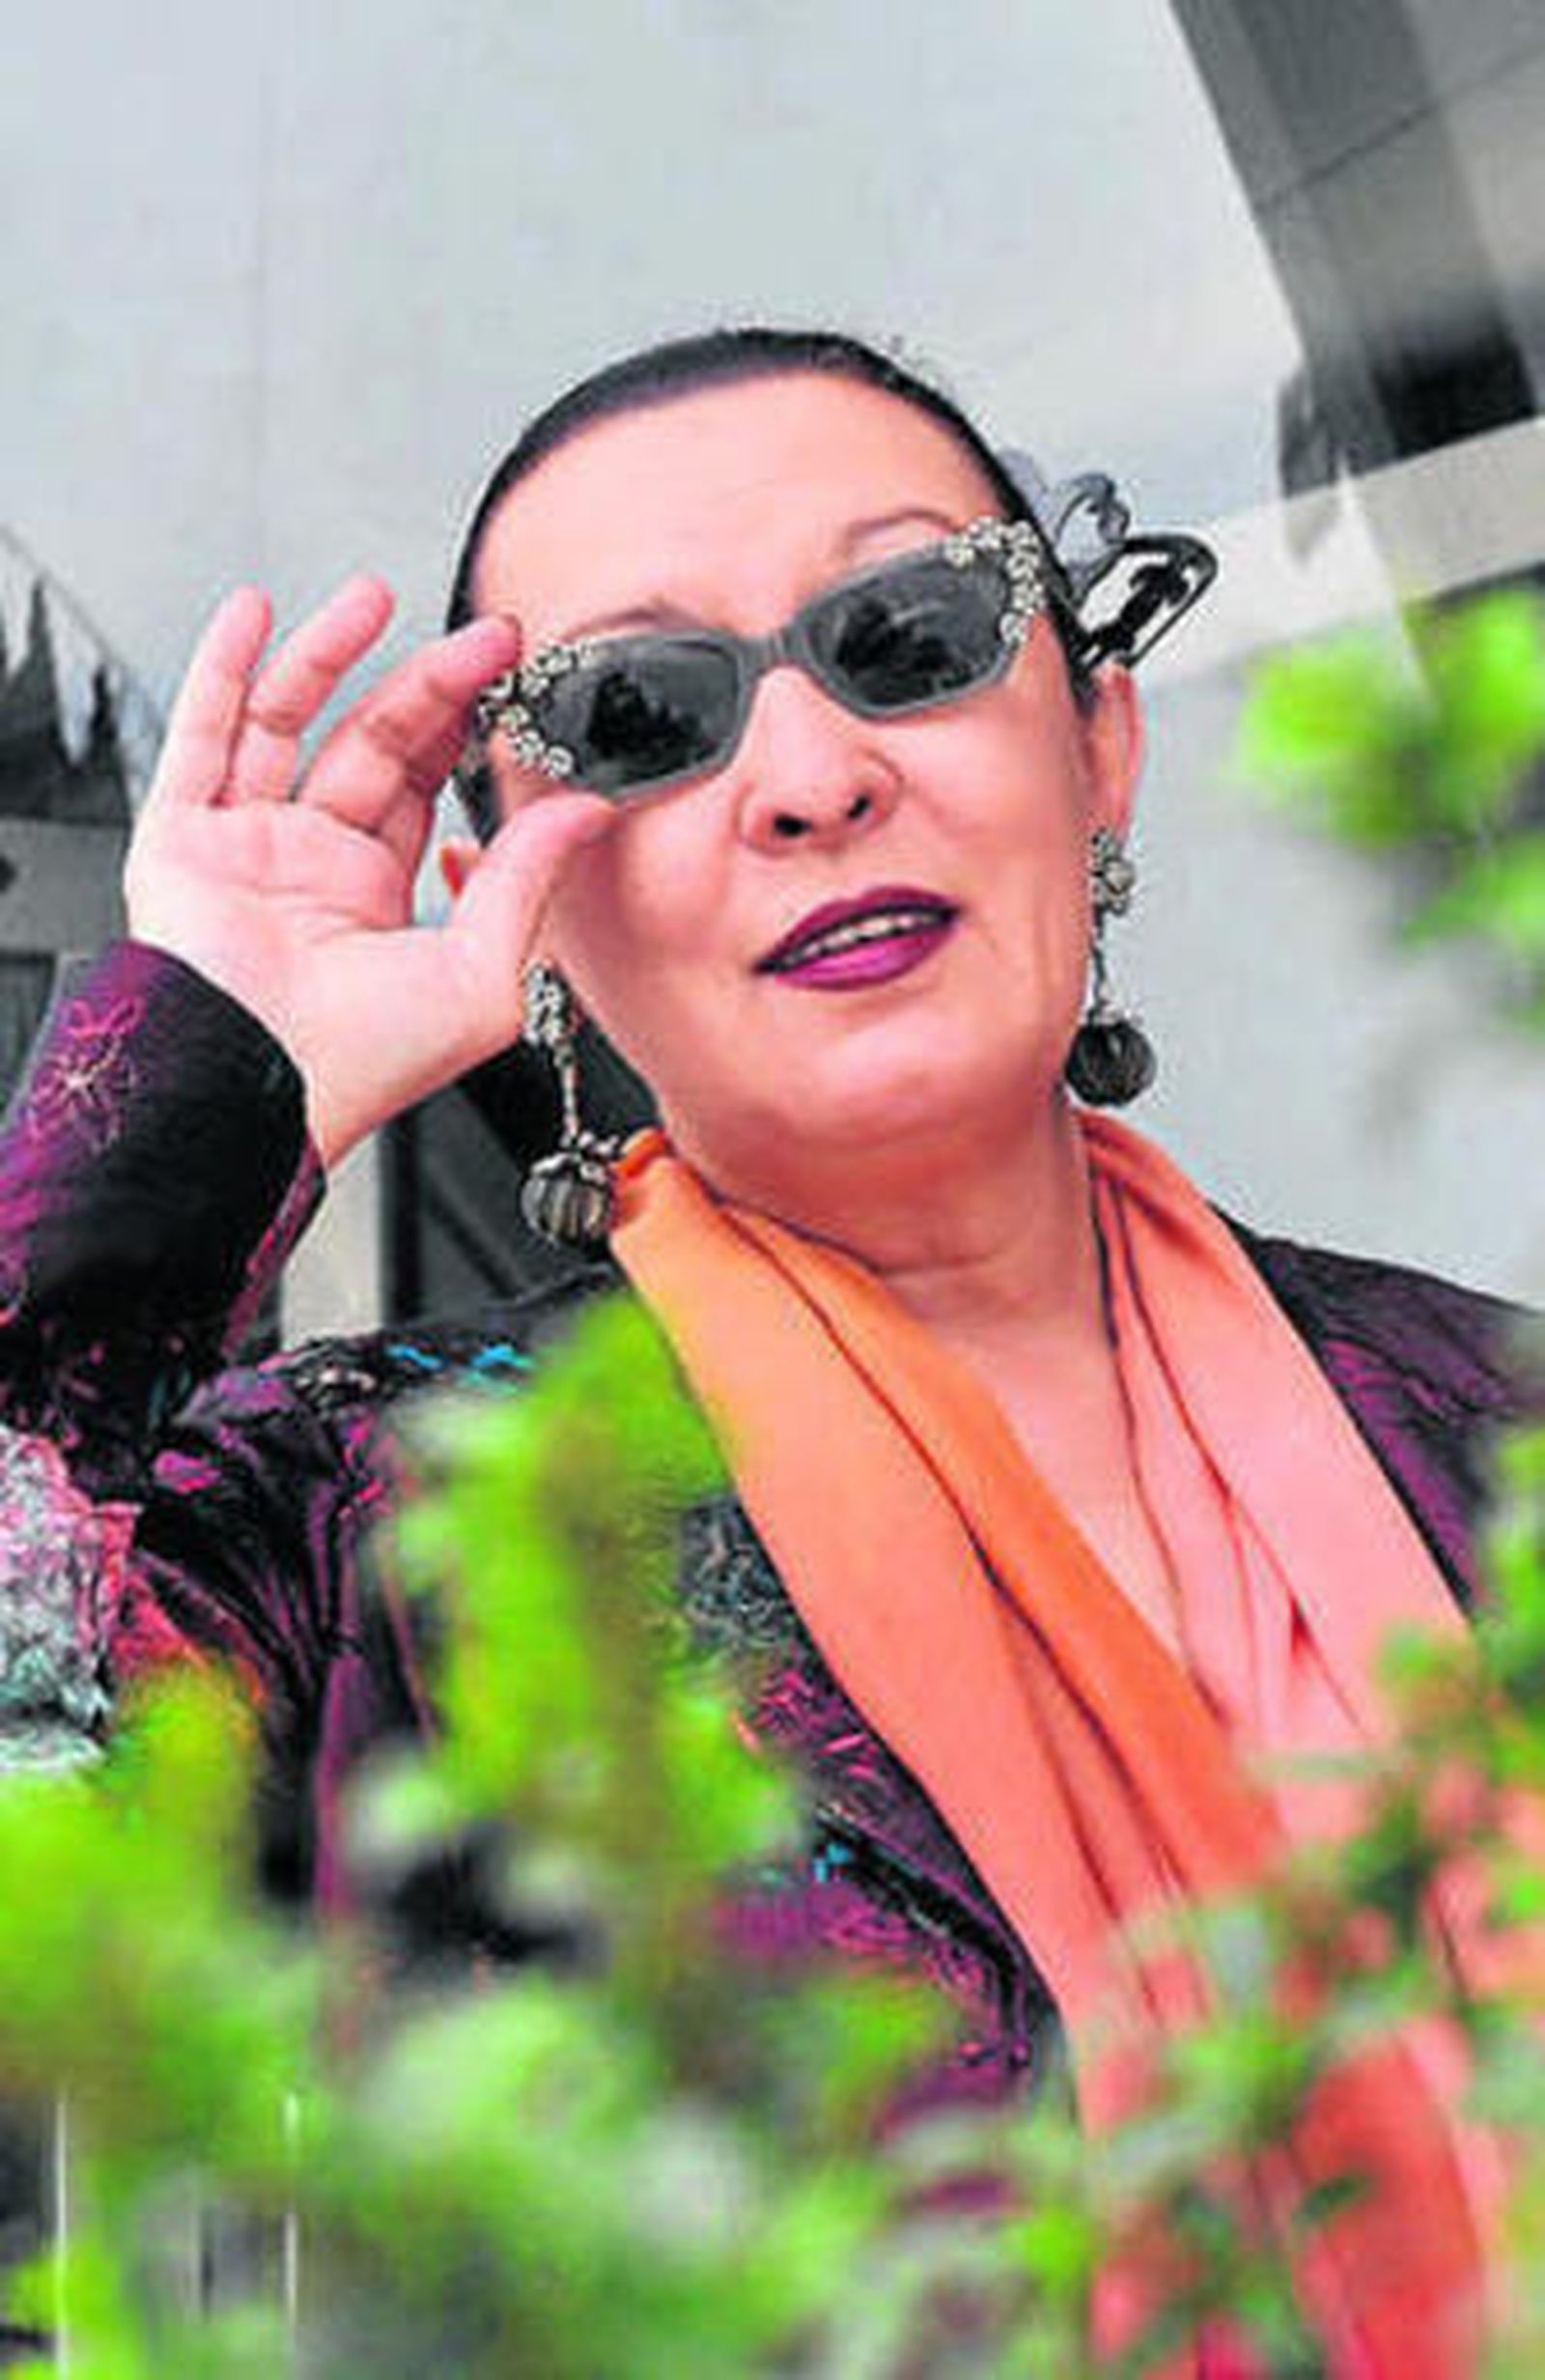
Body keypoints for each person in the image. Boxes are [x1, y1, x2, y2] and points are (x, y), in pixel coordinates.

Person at [0, 326, 1532, 2371]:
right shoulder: (386, 1531)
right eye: (639, 715)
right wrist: (191, 1093)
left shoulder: (1493, 1424)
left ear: (1098, 742)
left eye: (909, 633)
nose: (811, 777)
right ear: (512, 898)